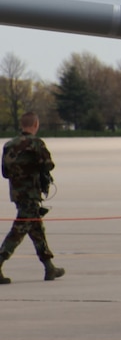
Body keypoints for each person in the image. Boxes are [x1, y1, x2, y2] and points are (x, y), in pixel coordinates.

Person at [0, 111, 63, 283]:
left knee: (36, 229)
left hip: (17, 194)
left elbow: (5, 173)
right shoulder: (36, 143)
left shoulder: (9, 145)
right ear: (35, 125)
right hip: (31, 193)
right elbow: (48, 165)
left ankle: (49, 266)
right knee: (19, 230)